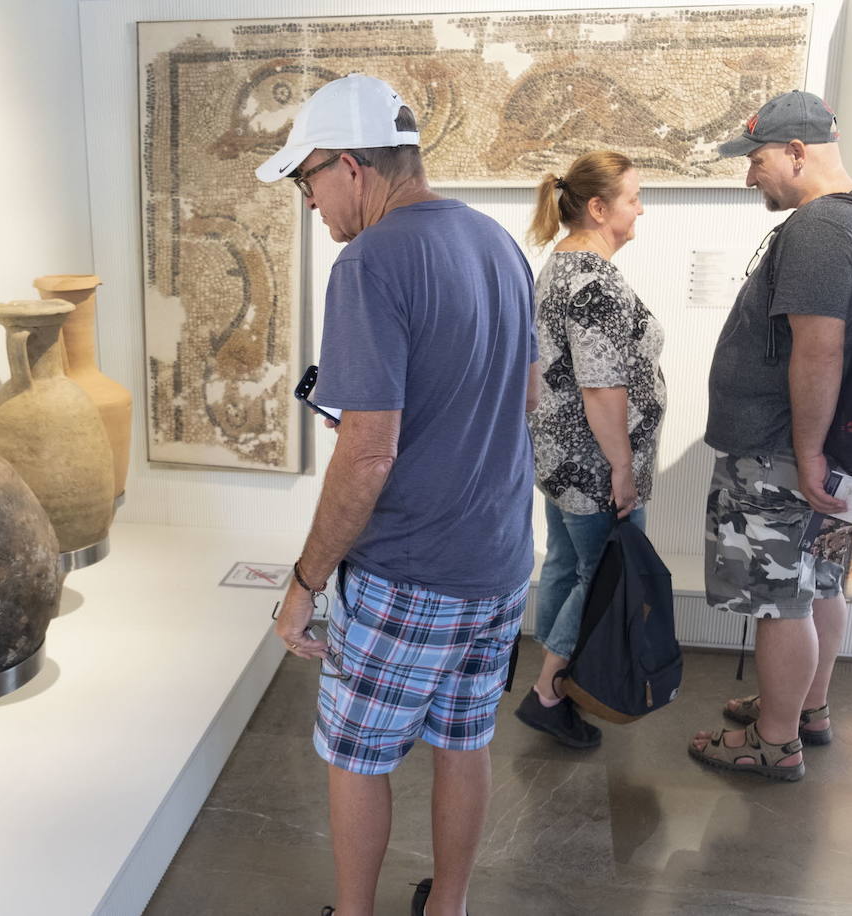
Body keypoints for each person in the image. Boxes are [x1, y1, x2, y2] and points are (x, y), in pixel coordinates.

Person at [256, 74, 537, 916]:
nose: (309, 201)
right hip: (498, 561)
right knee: (463, 741)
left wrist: (304, 587)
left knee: (358, 753)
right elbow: (523, 400)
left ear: (351, 165)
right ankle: (445, 907)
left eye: (308, 180)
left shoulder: (371, 262)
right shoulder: (498, 244)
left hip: (408, 570)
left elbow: (367, 455)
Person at [691, 90, 852, 781]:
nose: (750, 176)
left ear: (797, 152)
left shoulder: (817, 229)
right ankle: (806, 707)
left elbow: (819, 350)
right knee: (821, 584)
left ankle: (773, 742)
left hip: (785, 454)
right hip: (828, 454)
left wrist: (806, 455)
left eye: (756, 160)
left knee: (779, 600)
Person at [516, 151, 665, 748]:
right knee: (601, 575)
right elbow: (601, 385)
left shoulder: (562, 265)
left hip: (561, 458)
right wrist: (623, 468)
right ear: (599, 208)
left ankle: (555, 683)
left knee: (566, 565)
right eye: (633, 198)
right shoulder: (592, 281)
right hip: (593, 465)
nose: (641, 208)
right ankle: (551, 692)